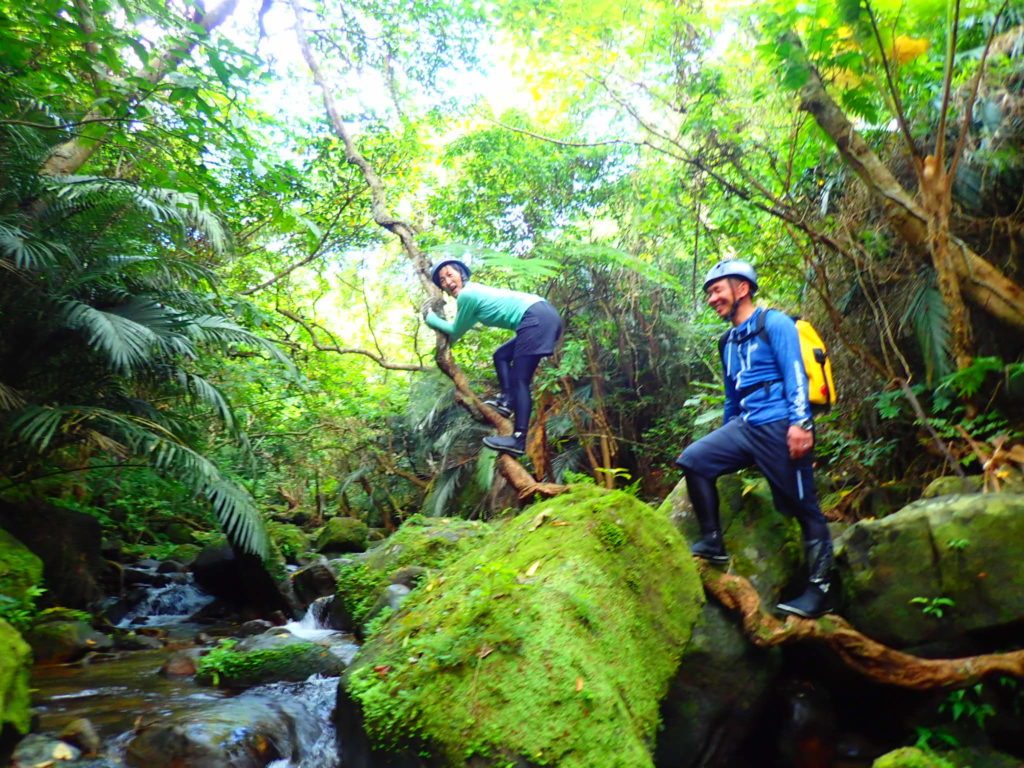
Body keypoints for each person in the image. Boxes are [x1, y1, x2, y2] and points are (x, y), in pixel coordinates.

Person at [675, 259, 834, 619]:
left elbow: (795, 372)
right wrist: (728, 436)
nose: (712, 298)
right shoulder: (726, 341)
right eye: (710, 293)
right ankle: (712, 542)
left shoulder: (773, 323)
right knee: (694, 461)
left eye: (717, 290)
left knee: (801, 505)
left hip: (781, 422)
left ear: (741, 288)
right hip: (746, 426)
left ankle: (820, 590)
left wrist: (801, 424)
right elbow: (732, 395)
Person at [423, 258, 562, 457]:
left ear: (461, 274)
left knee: (520, 381)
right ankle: (505, 402)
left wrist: (431, 319)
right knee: (501, 355)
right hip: (543, 315)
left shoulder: (468, 295)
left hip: (536, 317)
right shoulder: (473, 297)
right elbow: (457, 332)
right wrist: (445, 349)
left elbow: (454, 328)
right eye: (442, 280)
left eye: (449, 275)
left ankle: (518, 439)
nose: (447, 282)